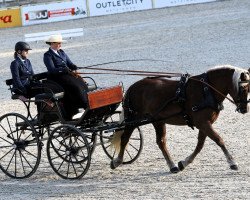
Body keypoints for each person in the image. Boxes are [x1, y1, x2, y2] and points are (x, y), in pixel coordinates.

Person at [43, 34, 88, 120]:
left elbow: (69, 63)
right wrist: (63, 70)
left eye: (60, 43)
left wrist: (73, 66)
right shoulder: (47, 55)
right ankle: (82, 105)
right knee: (75, 86)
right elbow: (51, 69)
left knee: (81, 82)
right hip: (56, 77)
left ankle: (86, 102)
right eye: (58, 43)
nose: (60, 45)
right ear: (52, 43)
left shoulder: (62, 52)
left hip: (66, 74)